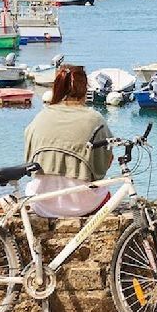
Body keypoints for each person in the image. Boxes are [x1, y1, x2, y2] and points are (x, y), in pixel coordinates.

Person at [21, 64, 114, 217]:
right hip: (83, 204)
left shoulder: (40, 117)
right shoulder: (94, 119)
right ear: (85, 89)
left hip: (41, 202)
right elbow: (105, 163)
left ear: (57, 87)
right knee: (106, 193)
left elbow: (28, 159)